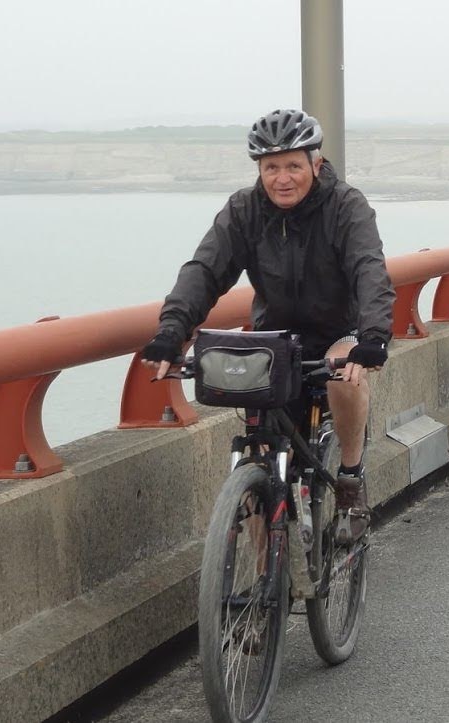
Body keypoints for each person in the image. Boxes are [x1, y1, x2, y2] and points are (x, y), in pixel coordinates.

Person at [140, 109, 394, 540]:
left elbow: (369, 270)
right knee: (261, 462)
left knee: (344, 377)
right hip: (275, 338)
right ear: (259, 169)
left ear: (316, 164)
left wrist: (372, 337)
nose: (282, 178)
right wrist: (171, 332)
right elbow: (204, 271)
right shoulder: (244, 209)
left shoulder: (346, 206)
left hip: (339, 333)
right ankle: (263, 594)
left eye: (294, 165)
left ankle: (351, 476)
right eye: (271, 167)